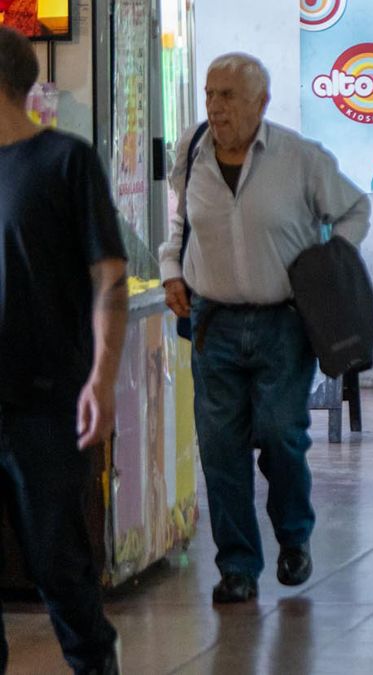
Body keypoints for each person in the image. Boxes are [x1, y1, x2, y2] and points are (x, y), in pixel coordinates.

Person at [162, 54, 370, 604]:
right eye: (210, 93)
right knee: (220, 448)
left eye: (229, 95)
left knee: (281, 435)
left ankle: (294, 538)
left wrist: (325, 267)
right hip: (213, 322)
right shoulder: (191, 151)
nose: (216, 106)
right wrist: (170, 272)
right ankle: (237, 567)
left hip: (284, 322)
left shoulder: (300, 158)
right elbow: (180, 221)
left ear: (261, 102)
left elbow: (354, 209)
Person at [0, 26, 122, 673]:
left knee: (61, 569)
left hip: (47, 406)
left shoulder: (65, 162)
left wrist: (100, 378)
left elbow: (108, 278)